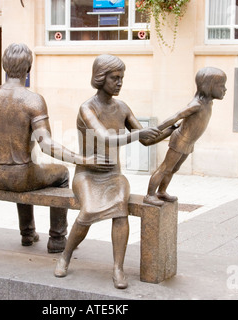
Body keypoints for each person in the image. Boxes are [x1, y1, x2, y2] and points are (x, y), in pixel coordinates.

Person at [0, 43, 113, 253]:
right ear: (28, 69)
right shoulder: (33, 101)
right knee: (62, 173)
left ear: (4, 67)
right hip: (21, 177)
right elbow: (47, 145)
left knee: (31, 169)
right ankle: (57, 238)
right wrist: (83, 160)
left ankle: (27, 233)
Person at [54, 54, 176, 289]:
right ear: (100, 78)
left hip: (114, 175)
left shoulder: (122, 107)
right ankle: (65, 256)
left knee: (121, 209)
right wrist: (139, 134)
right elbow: (106, 137)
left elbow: (148, 140)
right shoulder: (87, 108)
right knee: (88, 210)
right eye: (115, 78)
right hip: (87, 175)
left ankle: (118, 269)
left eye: (122, 78)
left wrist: (173, 128)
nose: (120, 83)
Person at [143, 67, 227, 206]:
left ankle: (161, 191)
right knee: (165, 168)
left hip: (189, 142)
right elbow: (176, 116)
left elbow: (193, 121)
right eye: (222, 86)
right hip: (181, 140)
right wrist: (157, 130)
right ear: (209, 86)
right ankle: (150, 195)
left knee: (174, 169)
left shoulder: (208, 103)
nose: (225, 89)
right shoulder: (197, 104)